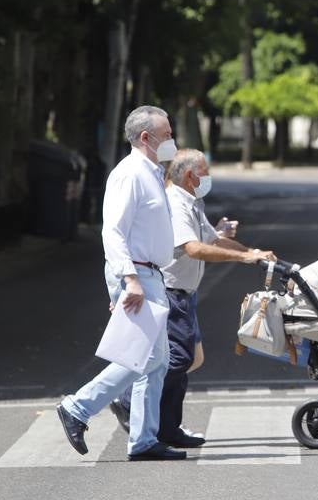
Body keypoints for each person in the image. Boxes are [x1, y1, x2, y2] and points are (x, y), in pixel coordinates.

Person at [108, 149, 277, 447]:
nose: (208, 177)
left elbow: (212, 239)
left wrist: (251, 253)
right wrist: (242, 258)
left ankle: (168, 426)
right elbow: (194, 249)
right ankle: (130, 401)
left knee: (191, 359)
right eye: (205, 171)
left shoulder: (192, 202)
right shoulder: (175, 203)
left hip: (185, 294)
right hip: (171, 292)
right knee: (177, 358)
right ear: (190, 176)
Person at [56, 106, 184, 461]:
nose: (172, 141)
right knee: (142, 356)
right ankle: (78, 407)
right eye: (168, 134)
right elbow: (112, 231)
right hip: (138, 274)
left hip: (148, 273)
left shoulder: (151, 172)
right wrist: (129, 280)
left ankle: (143, 440)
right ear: (146, 137)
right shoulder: (129, 174)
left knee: (155, 360)